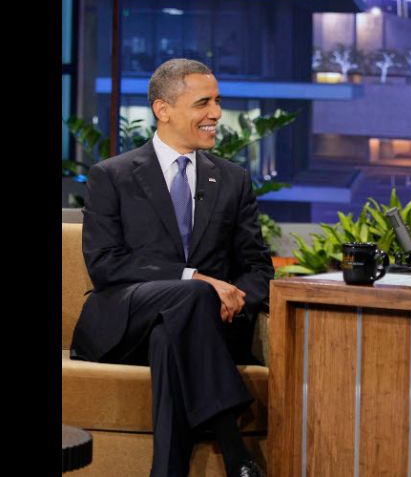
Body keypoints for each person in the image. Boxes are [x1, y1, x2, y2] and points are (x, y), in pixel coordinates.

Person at [70, 58, 272, 477]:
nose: (216, 113)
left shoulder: (232, 180)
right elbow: (106, 265)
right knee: (192, 294)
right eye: (203, 103)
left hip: (205, 328)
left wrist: (234, 302)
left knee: (172, 334)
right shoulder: (113, 176)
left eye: (217, 101)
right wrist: (194, 281)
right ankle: (235, 452)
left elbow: (256, 267)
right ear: (163, 110)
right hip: (124, 326)